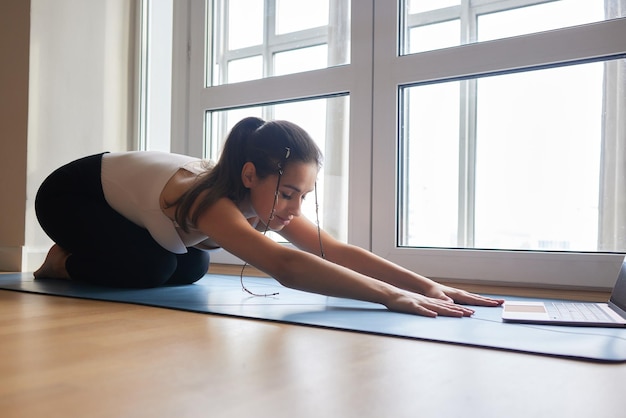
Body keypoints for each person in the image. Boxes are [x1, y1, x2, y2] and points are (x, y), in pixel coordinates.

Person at [34, 116, 504, 317]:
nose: (293, 208)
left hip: (131, 205)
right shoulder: (212, 202)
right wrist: (390, 298)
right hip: (72, 194)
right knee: (153, 267)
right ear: (249, 174)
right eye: (286, 193)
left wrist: (424, 285)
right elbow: (287, 267)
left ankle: (101, 253)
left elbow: (333, 250)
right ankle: (62, 261)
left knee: (191, 266)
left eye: (303, 195)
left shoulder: (265, 197)